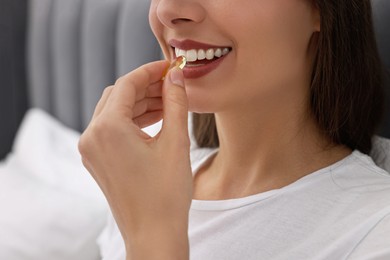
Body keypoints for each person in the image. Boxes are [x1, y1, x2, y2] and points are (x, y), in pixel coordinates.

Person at [78, 0, 390, 259]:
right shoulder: (138, 177)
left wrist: (152, 235)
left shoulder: (374, 229)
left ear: (320, 9)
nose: (168, 10)